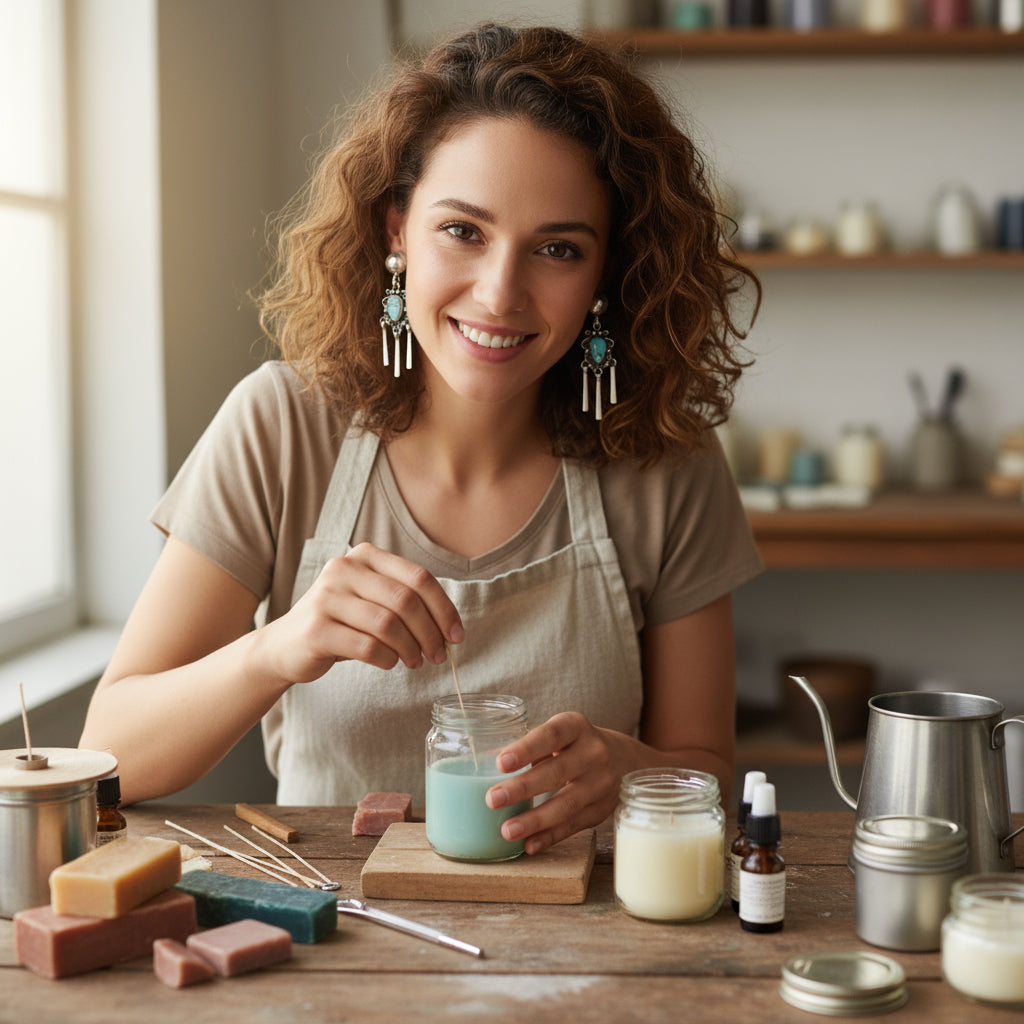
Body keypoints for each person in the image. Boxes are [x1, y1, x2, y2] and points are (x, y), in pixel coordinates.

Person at [79, 23, 762, 856]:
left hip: (589, 954)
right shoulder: (280, 426)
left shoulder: (669, 463)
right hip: (333, 947)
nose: (500, 292)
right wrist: (278, 648)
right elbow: (108, 757)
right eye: (463, 231)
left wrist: (631, 772)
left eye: (557, 248)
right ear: (397, 228)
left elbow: (709, 773)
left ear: (605, 274)